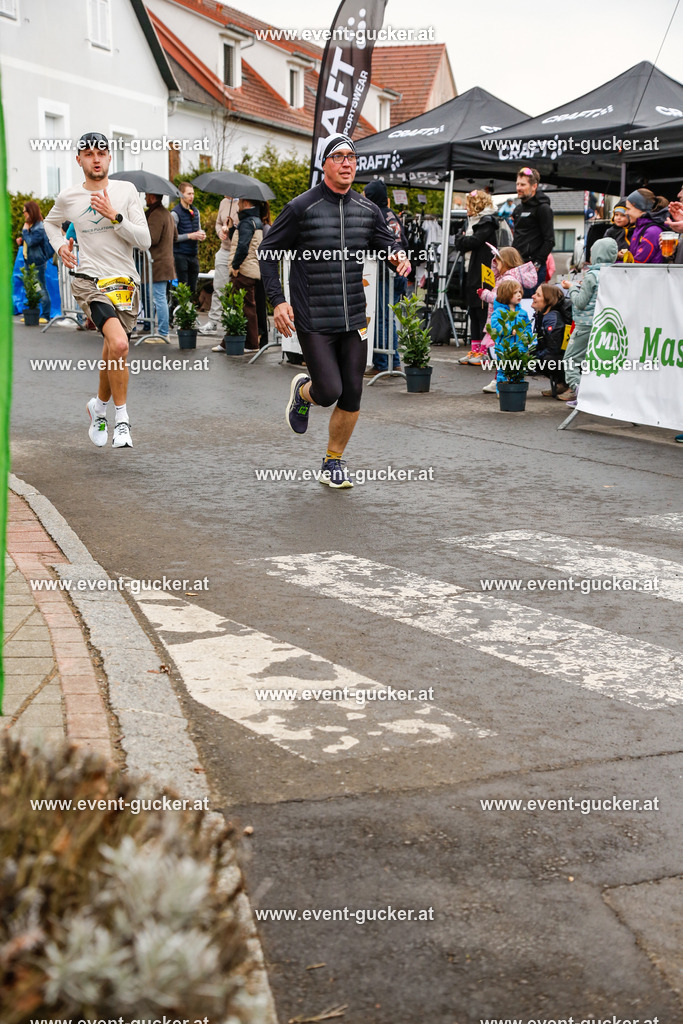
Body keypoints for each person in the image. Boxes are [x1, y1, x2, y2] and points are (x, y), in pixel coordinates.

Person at [258, 132, 410, 489]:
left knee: (353, 393)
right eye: (339, 156)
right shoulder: (301, 207)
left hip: (354, 317)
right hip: (315, 316)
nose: (346, 163)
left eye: (351, 157)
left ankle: (333, 461)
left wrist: (399, 257)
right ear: (324, 163)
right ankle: (303, 393)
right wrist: (278, 301)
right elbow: (267, 252)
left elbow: (388, 246)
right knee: (328, 391)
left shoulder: (367, 210)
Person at [44, 131, 151, 449]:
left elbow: (144, 241)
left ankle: (98, 408)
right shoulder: (69, 197)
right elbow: (50, 224)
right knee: (119, 343)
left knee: (112, 349)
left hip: (124, 284)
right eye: (88, 153)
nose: (96, 158)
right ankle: (122, 420)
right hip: (89, 280)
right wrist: (61, 245)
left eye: (101, 153)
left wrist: (114, 216)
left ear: (109, 158)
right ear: (79, 160)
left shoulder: (126, 191)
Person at [560, 237, 618, 405]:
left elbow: (580, 302)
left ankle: (581, 395)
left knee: (570, 360)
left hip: (585, 324)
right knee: (593, 361)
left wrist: (571, 288)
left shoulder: (592, 275)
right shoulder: (615, 273)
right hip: (604, 324)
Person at [362, 179, 408, 376]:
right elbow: (403, 242)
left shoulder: (374, 214)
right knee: (390, 317)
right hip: (398, 272)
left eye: (364, 195)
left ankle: (383, 362)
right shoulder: (392, 216)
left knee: (382, 318)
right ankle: (394, 360)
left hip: (383, 273)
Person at [479, 246, 537, 393]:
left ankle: (500, 382)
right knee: (502, 355)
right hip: (505, 323)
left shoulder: (507, 279)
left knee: (501, 353)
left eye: (497, 262)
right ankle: (501, 381)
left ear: (505, 262)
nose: (495, 264)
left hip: (505, 323)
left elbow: (500, 299)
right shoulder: (507, 277)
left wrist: (485, 294)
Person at [454, 190, 498, 365]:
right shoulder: (470, 222)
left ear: (477, 205)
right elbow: (460, 242)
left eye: (468, 204)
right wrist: (462, 239)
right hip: (470, 272)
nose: (465, 208)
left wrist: (462, 239)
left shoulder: (486, 223)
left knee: (481, 311)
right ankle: (474, 350)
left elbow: (470, 242)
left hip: (482, 274)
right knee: (472, 310)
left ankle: (483, 351)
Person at [198, 196, 237, 343]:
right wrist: (220, 231)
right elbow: (218, 223)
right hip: (224, 250)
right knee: (219, 287)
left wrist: (231, 228)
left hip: (237, 250)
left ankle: (234, 322)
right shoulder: (223, 202)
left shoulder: (243, 203)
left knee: (236, 289)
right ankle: (213, 322)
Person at [511, 166, 555, 297]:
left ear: (534, 186)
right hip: (516, 266)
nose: (519, 187)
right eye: (518, 184)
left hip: (532, 267)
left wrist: (537, 264)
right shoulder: (518, 209)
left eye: (523, 184)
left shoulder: (543, 208)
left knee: (529, 306)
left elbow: (549, 240)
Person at [486, 278, 534, 393]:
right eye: (515, 293)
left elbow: (527, 326)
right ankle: (501, 391)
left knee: (519, 369)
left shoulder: (523, 313)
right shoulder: (499, 312)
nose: (519, 295)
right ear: (506, 295)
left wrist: (527, 337)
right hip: (504, 347)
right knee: (503, 370)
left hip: (520, 347)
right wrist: (508, 330)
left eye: (520, 292)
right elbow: (496, 325)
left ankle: (518, 390)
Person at [228, 197, 263, 352]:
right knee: (245, 306)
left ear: (247, 203)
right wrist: (231, 229)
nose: (238, 204)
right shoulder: (255, 220)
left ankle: (251, 343)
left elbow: (242, 246)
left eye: (240, 201)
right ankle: (232, 341)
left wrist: (235, 266)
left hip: (244, 270)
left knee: (244, 307)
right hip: (251, 268)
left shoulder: (247, 222)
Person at [530, 283, 573, 398]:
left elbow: (554, 349)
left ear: (548, 300)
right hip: (561, 358)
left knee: (546, 359)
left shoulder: (552, 317)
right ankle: (561, 385)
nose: (533, 296)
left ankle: (571, 387)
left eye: (538, 295)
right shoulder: (542, 314)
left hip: (567, 359)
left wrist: (533, 355)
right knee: (535, 357)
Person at [144, 193, 175, 342]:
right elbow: (175, 236)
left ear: (152, 197)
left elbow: (152, 238)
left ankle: (163, 333)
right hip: (166, 262)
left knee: (159, 298)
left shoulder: (156, 215)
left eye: (146, 196)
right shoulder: (167, 213)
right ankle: (162, 332)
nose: (144, 198)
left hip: (158, 263)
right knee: (161, 297)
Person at [17, 200, 53, 323]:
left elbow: (32, 242)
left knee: (40, 288)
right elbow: (30, 242)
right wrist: (22, 240)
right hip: (29, 261)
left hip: (37, 263)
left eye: (24, 212)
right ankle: (33, 313)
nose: (23, 214)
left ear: (30, 211)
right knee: (32, 288)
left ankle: (46, 315)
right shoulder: (33, 226)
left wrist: (25, 231)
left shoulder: (39, 227)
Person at [171, 182, 205, 294]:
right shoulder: (175, 213)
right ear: (181, 194)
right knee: (182, 289)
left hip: (193, 254)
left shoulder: (196, 211)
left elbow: (198, 229)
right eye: (189, 194)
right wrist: (190, 236)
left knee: (193, 289)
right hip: (180, 255)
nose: (192, 197)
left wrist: (201, 234)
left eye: (193, 194)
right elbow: (172, 238)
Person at [621, 189, 669, 264]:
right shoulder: (640, 228)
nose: (626, 212)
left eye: (628, 209)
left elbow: (638, 264)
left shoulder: (652, 231)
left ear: (641, 208)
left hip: (650, 275)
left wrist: (612, 264)